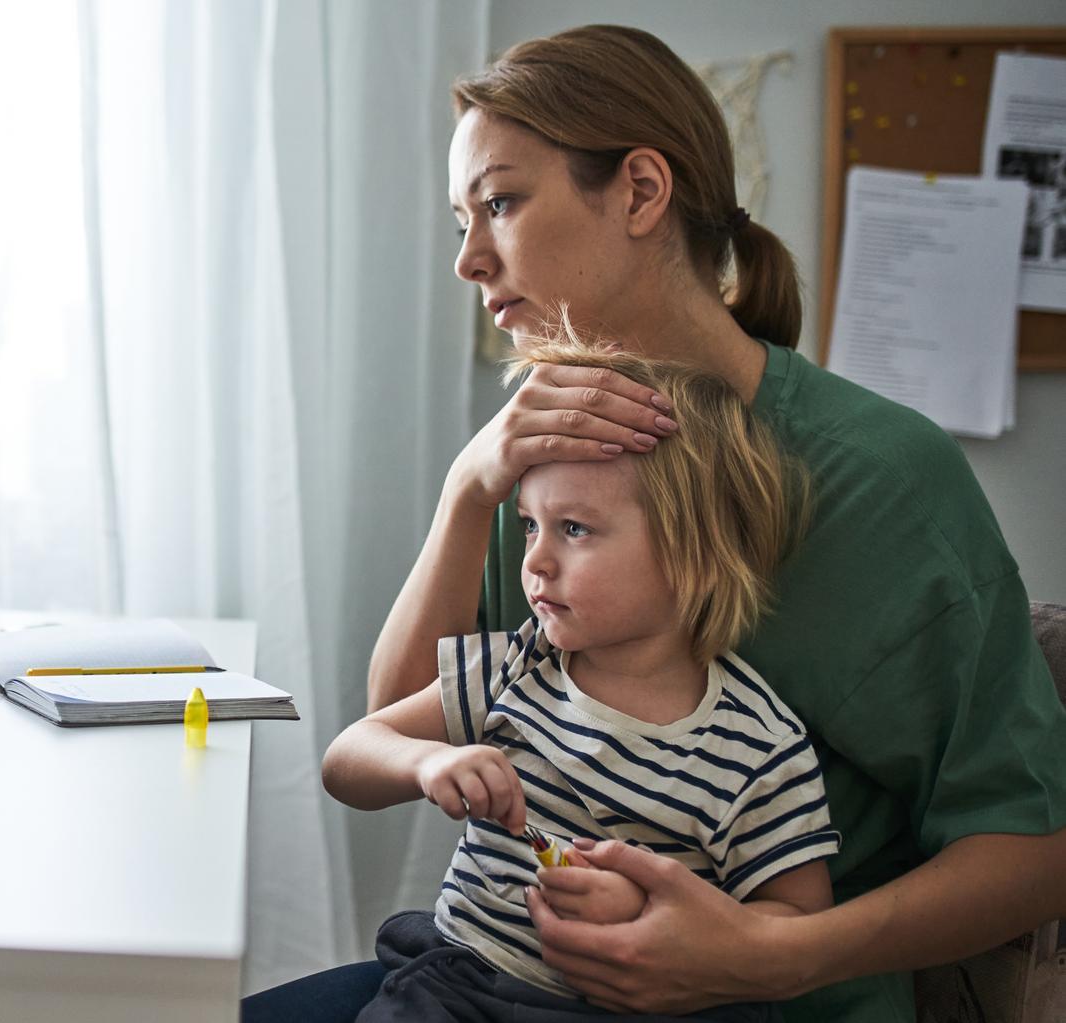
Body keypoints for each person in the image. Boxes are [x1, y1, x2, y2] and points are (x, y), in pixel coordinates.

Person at [245, 23, 1066, 1023]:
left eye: (498, 203)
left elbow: (1032, 848)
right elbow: (393, 722)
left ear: (639, 191)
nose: (466, 259)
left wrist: (776, 955)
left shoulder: (885, 480)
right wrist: (468, 487)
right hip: (494, 980)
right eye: (460, 219)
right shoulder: (542, 454)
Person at [321, 333, 837, 1022]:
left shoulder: (760, 748)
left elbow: (798, 928)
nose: (533, 561)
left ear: (695, 553)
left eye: (574, 529)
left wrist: (658, 910)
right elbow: (345, 759)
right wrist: (426, 762)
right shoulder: (517, 664)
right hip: (458, 987)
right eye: (530, 525)